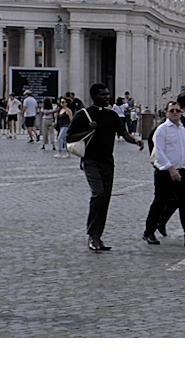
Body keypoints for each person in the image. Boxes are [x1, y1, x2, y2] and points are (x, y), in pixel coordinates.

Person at [73, 83, 141, 252]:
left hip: (108, 162)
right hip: (90, 161)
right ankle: (92, 235)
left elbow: (124, 134)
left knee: (105, 199)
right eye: (103, 94)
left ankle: (98, 235)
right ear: (94, 96)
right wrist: (88, 130)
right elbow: (69, 136)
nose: (107, 97)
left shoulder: (112, 115)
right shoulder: (84, 114)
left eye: (108, 94)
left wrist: (136, 141)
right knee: (98, 194)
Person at [145, 93, 185, 247]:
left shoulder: (182, 130)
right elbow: (159, 152)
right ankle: (149, 232)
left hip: (183, 171)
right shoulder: (161, 130)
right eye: (172, 111)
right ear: (166, 113)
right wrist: (171, 169)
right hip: (166, 172)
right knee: (160, 202)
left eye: (177, 111)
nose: (175, 113)